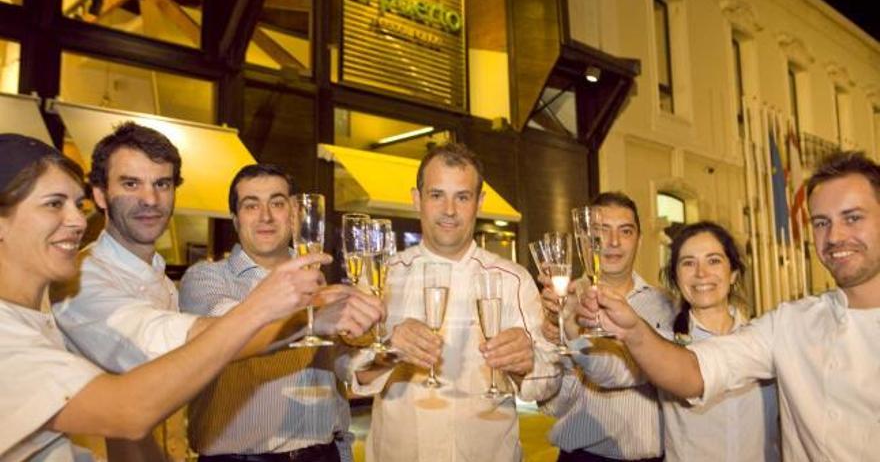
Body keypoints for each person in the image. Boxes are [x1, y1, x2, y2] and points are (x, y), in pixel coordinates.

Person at [0, 133, 325, 461]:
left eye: (162, 184)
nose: (150, 199)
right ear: (101, 194)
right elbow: (129, 406)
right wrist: (277, 311)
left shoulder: (158, 278)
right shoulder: (80, 283)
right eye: (130, 184)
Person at [579, 150, 880, 460]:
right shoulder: (788, 325)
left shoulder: (763, 327)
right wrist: (633, 331)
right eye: (820, 222)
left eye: (853, 217)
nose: (835, 235)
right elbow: (696, 371)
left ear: (733, 273)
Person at [350, 143, 561, 462]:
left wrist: (527, 363)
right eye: (437, 195)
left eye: (462, 197)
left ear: (479, 202)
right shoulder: (383, 276)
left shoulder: (512, 278)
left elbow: (548, 383)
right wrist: (389, 351)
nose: (449, 210)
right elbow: (350, 370)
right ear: (416, 199)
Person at [179, 164, 384, 462]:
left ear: (295, 216)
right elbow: (235, 333)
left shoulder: (318, 282)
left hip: (325, 454)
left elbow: (345, 366)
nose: (265, 216)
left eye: (277, 203)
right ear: (235, 220)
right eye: (251, 205)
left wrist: (393, 348)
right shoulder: (206, 279)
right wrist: (312, 319)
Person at [582, 221, 780, 461]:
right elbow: (612, 371)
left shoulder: (765, 343)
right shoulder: (664, 347)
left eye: (714, 260)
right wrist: (573, 329)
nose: (701, 273)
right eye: (688, 263)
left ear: (733, 274)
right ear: (676, 278)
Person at [538, 192, 674, 462]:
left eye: (625, 231)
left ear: (639, 239)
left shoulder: (666, 305)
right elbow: (550, 403)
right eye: (601, 232)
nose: (613, 242)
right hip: (582, 456)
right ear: (585, 240)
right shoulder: (562, 303)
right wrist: (557, 336)